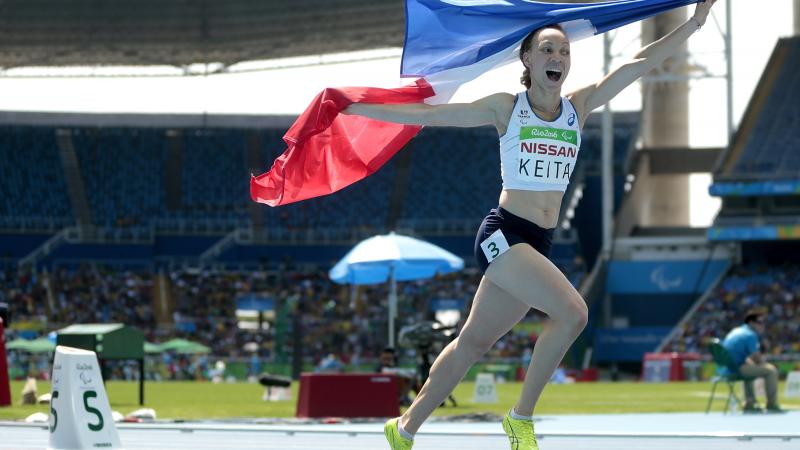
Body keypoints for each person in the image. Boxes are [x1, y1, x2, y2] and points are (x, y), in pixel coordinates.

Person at [344, 2, 717, 449]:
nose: (557, 57)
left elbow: (640, 63)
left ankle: (403, 429)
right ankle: (520, 419)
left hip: (537, 243)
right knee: (574, 314)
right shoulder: (508, 108)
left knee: (472, 343)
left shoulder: (579, 107)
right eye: (547, 50)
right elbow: (432, 116)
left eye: (563, 51)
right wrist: (355, 108)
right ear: (527, 59)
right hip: (503, 233)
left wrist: (695, 23)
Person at [721, 308, 784, 413]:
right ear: (750, 322)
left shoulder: (736, 330)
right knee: (771, 371)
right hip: (735, 369)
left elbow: (744, 358)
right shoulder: (750, 335)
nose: (762, 325)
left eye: (764, 322)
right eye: (759, 322)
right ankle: (771, 405)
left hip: (726, 369)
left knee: (750, 369)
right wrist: (767, 365)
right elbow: (757, 358)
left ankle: (749, 404)